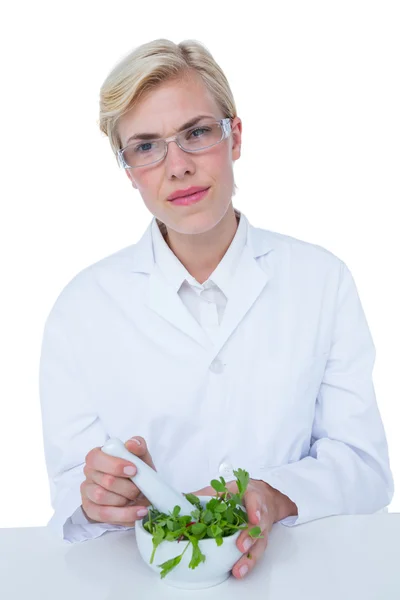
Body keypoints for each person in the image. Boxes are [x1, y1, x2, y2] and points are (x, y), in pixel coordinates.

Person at [39, 38, 394, 580]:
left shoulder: (322, 281)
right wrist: (96, 498)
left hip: (300, 580)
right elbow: (71, 492)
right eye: (146, 146)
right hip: (144, 585)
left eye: (197, 133)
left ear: (235, 137)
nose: (177, 167)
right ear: (128, 169)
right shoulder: (82, 309)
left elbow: (365, 469)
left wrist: (273, 495)